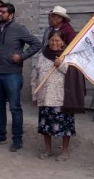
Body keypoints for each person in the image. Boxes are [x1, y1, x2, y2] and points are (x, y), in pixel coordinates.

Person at [0, 2, 41, 151]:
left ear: (11, 15)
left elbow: (36, 44)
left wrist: (21, 56)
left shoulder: (19, 29)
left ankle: (17, 139)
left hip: (12, 74)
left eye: (3, 12)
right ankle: (0, 134)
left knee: (15, 107)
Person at [31, 30, 85, 161]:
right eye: (52, 40)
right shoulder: (42, 55)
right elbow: (35, 74)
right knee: (45, 126)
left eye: (57, 40)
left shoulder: (68, 56)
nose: (54, 43)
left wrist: (61, 65)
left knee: (65, 126)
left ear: (62, 42)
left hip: (61, 97)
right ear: (48, 41)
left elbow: (76, 74)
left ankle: (64, 151)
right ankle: (48, 150)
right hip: (44, 96)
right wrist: (34, 94)